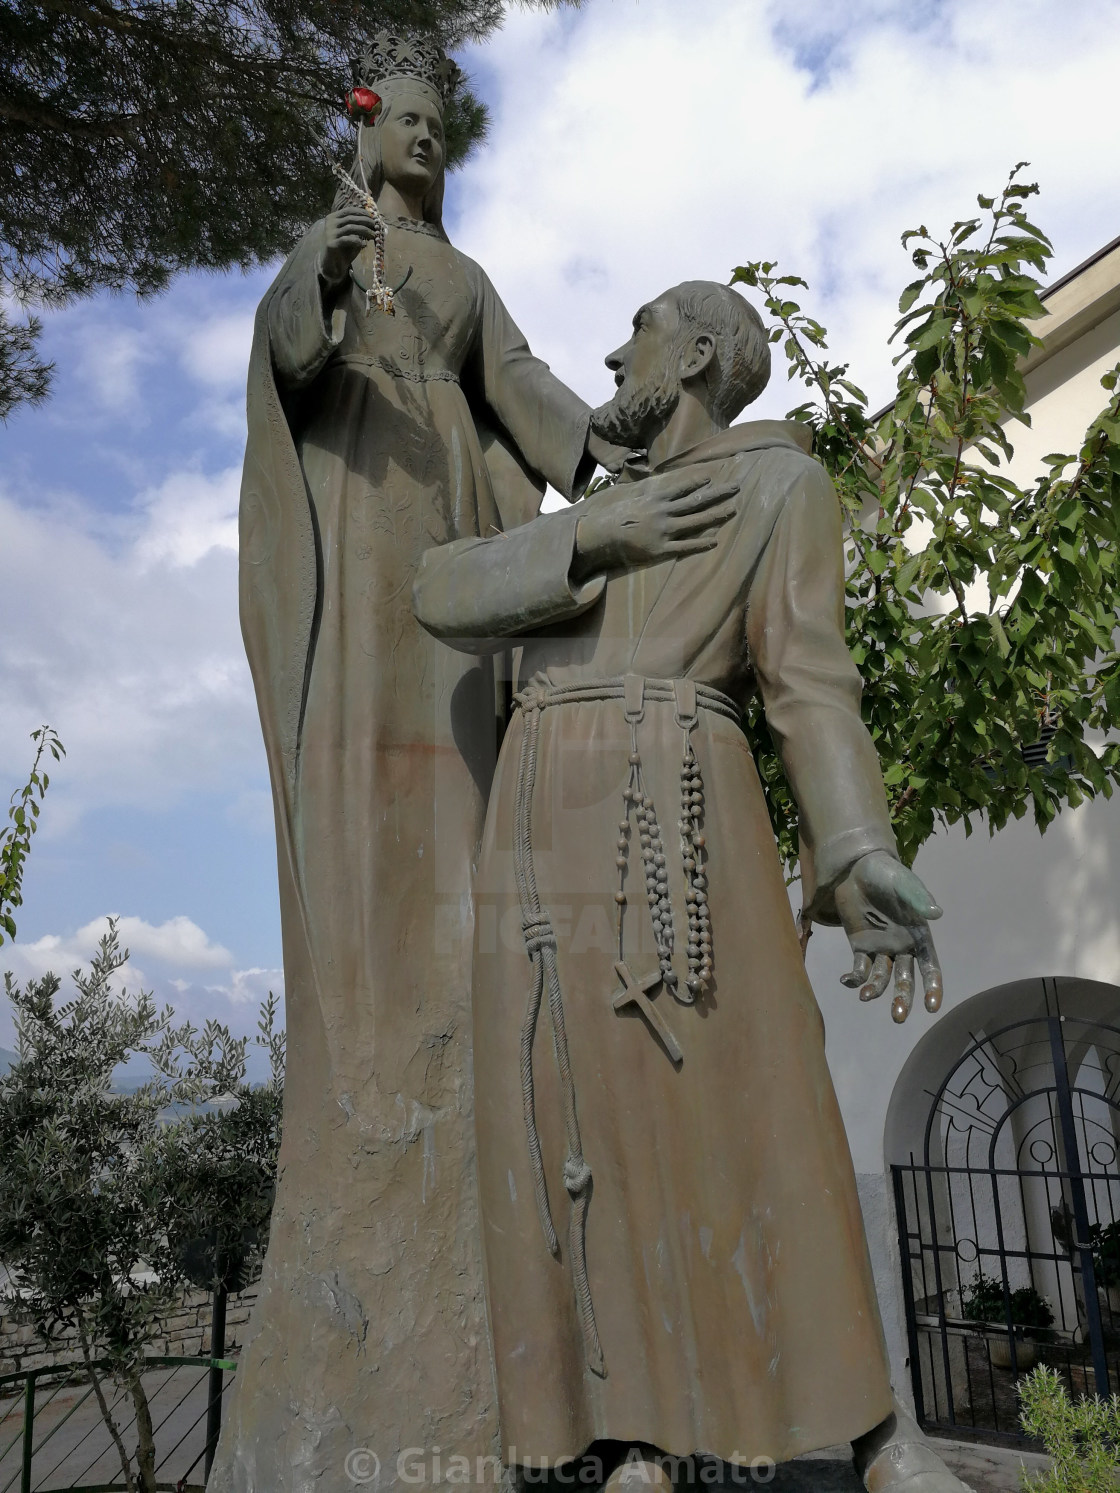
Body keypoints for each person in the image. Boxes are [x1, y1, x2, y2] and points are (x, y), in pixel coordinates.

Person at [413, 281, 960, 1491]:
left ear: (701, 355)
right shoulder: (586, 516)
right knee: (576, 1119)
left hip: (683, 792)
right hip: (540, 814)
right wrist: (588, 538)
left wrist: (856, 845)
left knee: (767, 1100)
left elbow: (809, 679)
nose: (615, 348)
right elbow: (435, 593)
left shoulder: (777, 485)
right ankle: (637, 1432)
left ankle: (871, 1428)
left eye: (643, 327)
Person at [218, 31, 623, 1490]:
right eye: (415, 125)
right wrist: (315, 284)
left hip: (449, 523)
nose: (432, 146)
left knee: (461, 790)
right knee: (365, 784)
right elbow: (285, 362)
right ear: (367, 122)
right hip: (354, 532)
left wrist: (613, 460)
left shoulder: (461, 282)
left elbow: (521, 386)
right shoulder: (326, 251)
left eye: (450, 130)